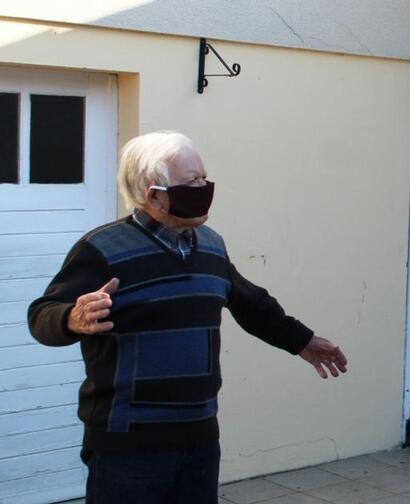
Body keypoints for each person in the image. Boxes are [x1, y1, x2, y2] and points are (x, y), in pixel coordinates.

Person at [27, 131, 348, 504]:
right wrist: (70, 318)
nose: (204, 188)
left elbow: (251, 304)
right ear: (154, 196)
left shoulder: (211, 245)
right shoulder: (102, 249)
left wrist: (302, 341)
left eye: (204, 178)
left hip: (199, 438)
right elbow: (41, 315)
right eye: (191, 182)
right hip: (128, 445)